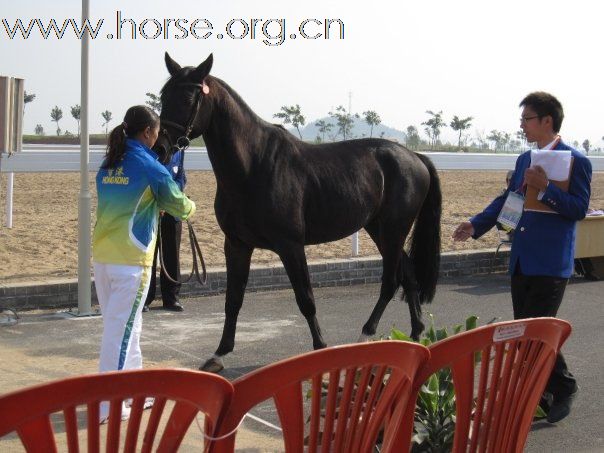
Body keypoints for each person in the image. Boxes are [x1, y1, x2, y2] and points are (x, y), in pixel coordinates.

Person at [453, 92, 592, 423]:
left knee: (535, 337)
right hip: (522, 261)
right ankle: (542, 394)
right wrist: (476, 223)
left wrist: (545, 189)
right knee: (526, 338)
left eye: (527, 119)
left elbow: (578, 210)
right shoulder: (524, 159)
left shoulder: (577, 161)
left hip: (551, 263)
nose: (521, 126)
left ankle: (563, 386)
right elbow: (509, 200)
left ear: (547, 120)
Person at [92, 105, 196, 422]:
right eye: (156, 130)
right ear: (149, 132)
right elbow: (178, 203)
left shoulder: (110, 161)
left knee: (128, 327)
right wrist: (190, 207)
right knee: (119, 332)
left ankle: (134, 391)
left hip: (104, 258)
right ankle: (109, 404)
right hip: (131, 263)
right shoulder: (150, 165)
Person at [143, 146, 187, 312]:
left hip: (172, 211)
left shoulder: (178, 152)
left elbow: (180, 178)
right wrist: (158, 202)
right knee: (149, 255)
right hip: (150, 211)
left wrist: (169, 200)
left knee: (171, 255)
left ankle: (171, 298)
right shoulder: (147, 151)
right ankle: (146, 298)